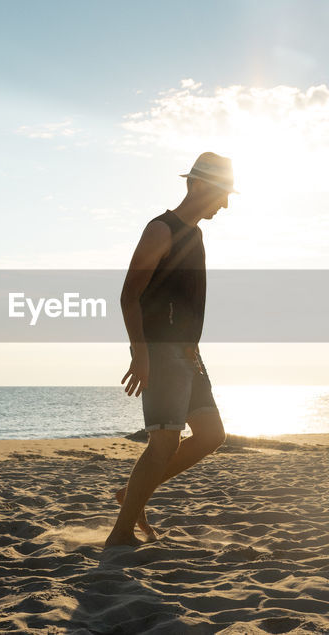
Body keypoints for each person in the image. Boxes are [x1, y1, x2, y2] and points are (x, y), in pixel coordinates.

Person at [104, 152, 234, 549]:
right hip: (160, 351)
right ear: (196, 185)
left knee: (212, 435)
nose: (225, 204)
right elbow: (129, 295)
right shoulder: (161, 230)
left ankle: (132, 496)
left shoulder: (196, 236)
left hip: (188, 353)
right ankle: (120, 534)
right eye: (221, 193)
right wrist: (140, 353)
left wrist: (192, 346)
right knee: (164, 445)